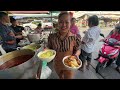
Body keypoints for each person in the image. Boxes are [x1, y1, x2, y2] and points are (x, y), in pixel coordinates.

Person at [47, 12, 81, 79]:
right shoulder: (52, 37)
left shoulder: (74, 37)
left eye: (66, 22)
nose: (63, 25)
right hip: (57, 65)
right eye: (61, 22)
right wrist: (46, 50)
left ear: (70, 23)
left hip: (69, 65)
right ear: (58, 23)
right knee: (60, 77)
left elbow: (78, 49)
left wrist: (76, 55)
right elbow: (49, 48)